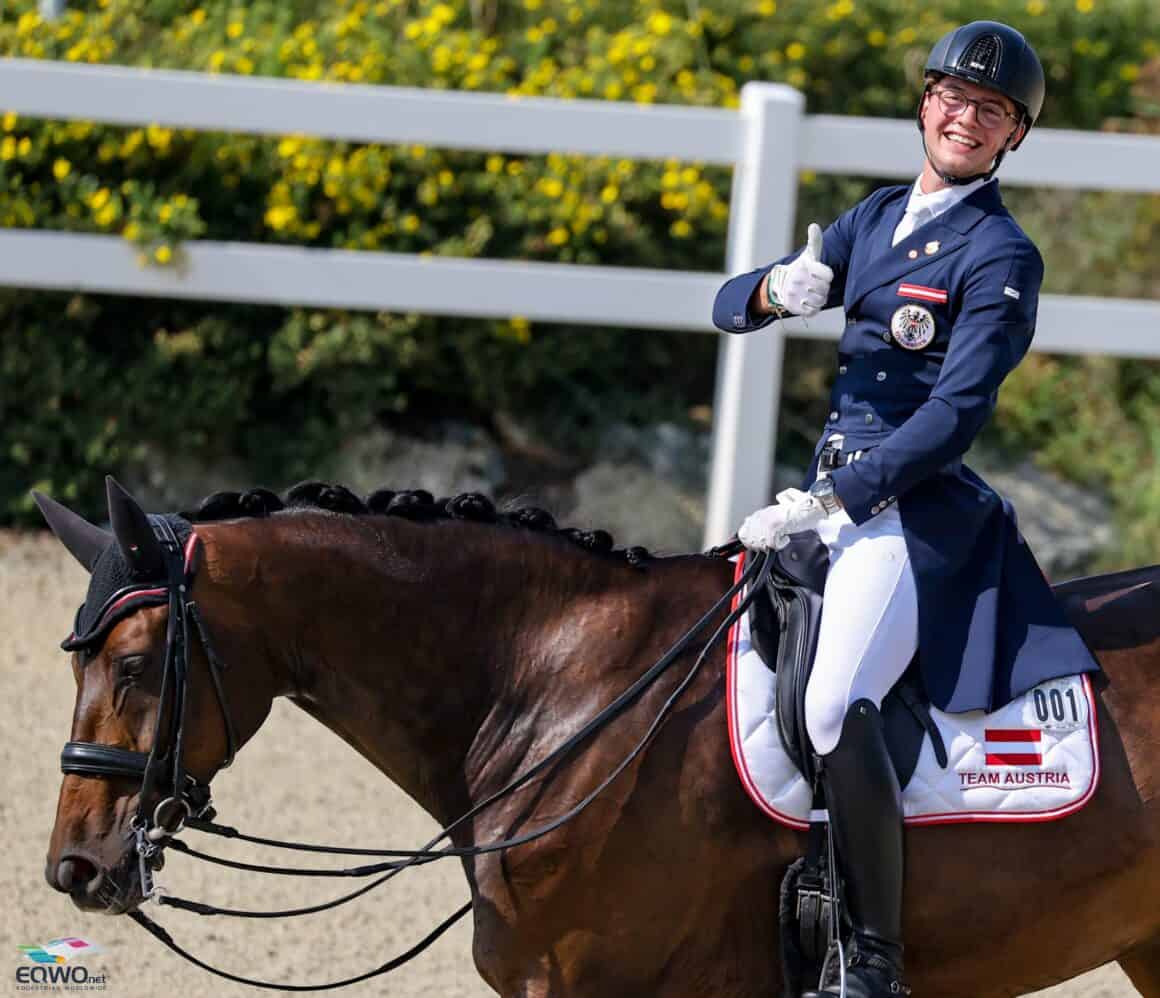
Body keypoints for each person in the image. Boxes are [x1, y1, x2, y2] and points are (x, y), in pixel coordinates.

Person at [712, 21, 1103, 998]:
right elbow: (722, 306)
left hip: (908, 515)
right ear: (923, 102)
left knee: (833, 701)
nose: (963, 118)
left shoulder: (997, 253)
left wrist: (831, 498)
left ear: (1010, 136)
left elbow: (952, 414)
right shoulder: (876, 219)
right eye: (950, 97)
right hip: (826, 498)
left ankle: (871, 962)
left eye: (990, 111)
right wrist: (775, 287)